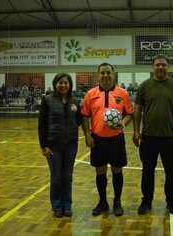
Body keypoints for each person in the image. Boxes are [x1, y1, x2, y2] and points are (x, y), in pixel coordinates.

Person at [133, 54, 173, 215]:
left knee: (172, 172)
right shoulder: (145, 85)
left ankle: (171, 202)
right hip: (148, 137)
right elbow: (137, 108)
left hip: (170, 138)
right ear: (152, 67)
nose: (160, 67)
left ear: (168, 67)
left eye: (163, 65)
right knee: (147, 171)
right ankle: (146, 201)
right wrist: (136, 131)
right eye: (157, 65)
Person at [81, 63, 133, 217]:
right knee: (100, 171)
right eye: (102, 73)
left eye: (108, 73)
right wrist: (88, 135)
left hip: (116, 139)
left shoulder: (122, 93)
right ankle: (102, 202)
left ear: (113, 74)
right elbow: (84, 116)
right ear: (98, 75)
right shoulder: (90, 94)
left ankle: (117, 202)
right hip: (98, 140)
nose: (105, 75)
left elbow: (129, 114)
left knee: (117, 170)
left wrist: (122, 124)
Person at [38, 73, 82, 218]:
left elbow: (80, 121)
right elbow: (42, 124)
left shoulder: (75, 101)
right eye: (60, 82)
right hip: (53, 146)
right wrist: (44, 146)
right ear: (55, 84)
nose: (63, 85)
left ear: (70, 85)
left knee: (68, 177)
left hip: (70, 145)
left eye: (66, 83)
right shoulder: (47, 100)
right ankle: (57, 206)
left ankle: (67, 205)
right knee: (56, 177)